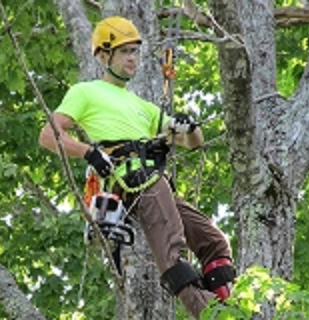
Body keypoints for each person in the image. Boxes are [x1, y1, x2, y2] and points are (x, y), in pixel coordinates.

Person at [39, 16, 235, 319]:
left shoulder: (142, 106)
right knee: (172, 249)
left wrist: (189, 125)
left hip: (155, 183)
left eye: (135, 51)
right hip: (129, 181)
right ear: (104, 56)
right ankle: (210, 313)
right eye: (125, 52)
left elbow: (194, 142)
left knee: (213, 240)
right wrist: (89, 152)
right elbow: (49, 134)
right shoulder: (86, 92)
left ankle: (230, 306)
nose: (133, 58)